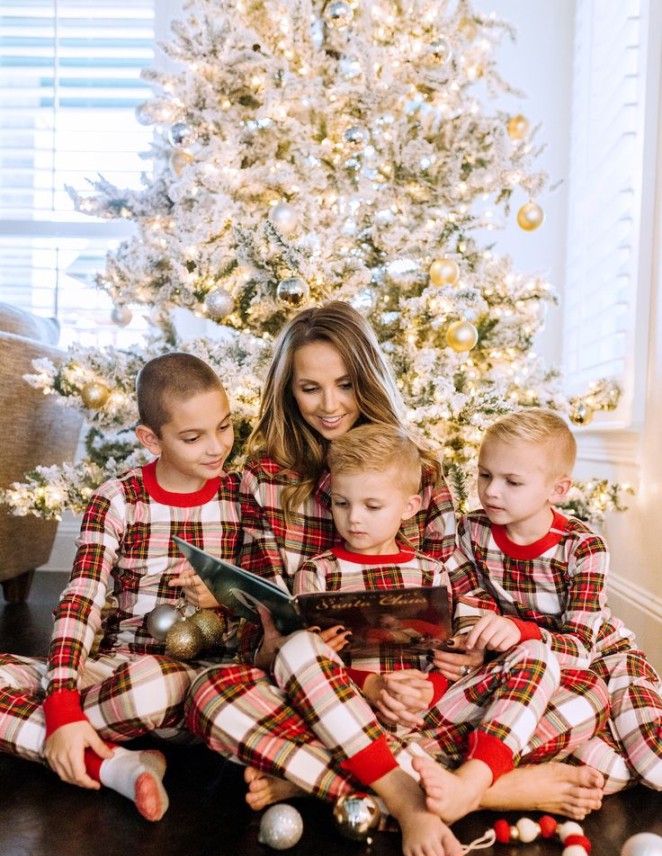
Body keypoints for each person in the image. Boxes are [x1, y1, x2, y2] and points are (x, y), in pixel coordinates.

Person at [188, 303, 607, 825]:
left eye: (345, 384)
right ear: (287, 390)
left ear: (368, 379)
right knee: (209, 694)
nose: (330, 405)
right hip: (324, 689)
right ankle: (484, 792)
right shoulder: (264, 479)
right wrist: (287, 651)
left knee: (586, 692)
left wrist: (463, 658)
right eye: (309, 388)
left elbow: (457, 594)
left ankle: (320, 780)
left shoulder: (420, 470)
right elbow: (261, 612)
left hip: (429, 692)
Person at [0, 353, 240, 820]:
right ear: (151, 439)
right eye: (193, 437)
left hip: (186, 678)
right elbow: (82, 597)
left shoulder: (241, 498)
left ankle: (71, 740)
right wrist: (64, 699)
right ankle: (116, 765)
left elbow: (267, 598)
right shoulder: (118, 499)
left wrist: (223, 599)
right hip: (110, 664)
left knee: (150, 685)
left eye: (225, 427)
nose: (216, 448)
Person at [415, 408, 662, 814]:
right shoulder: (470, 531)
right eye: (485, 475)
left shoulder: (583, 548)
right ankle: (489, 777)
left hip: (604, 658)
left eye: (512, 482)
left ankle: (488, 778)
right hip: (530, 663)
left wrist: (519, 631)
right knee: (608, 772)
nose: (491, 491)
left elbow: (582, 647)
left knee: (649, 766)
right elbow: (473, 601)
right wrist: (477, 642)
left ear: (558, 489)